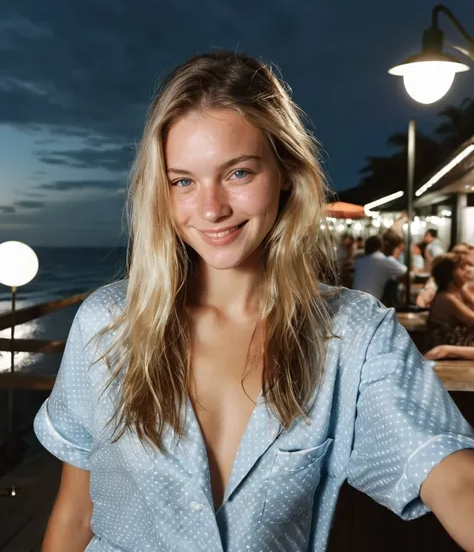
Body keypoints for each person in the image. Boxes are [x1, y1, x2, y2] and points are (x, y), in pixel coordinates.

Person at [34, 51, 474, 552]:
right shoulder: (108, 323)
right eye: (183, 181)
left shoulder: (352, 335)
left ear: (285, 171)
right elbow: (76, 510)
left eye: (238, 173)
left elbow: (454, 478)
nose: (211, 208)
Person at [426, 253, 474, 352]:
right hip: (447, 357)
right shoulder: (446, 298)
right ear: (451, 273)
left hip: (458, 351)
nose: (466, 271)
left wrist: (463, 288)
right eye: (461, 268)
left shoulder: (457, 291)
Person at [352, 234, 407, 302]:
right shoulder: (383, 260)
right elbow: (404, 270)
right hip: (372, 303)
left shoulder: (359, 262)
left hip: (355, 301)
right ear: (381, 246)